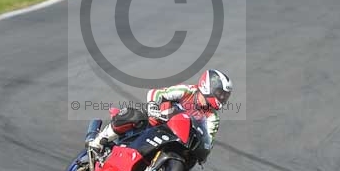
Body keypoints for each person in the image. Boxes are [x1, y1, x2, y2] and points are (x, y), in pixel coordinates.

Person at [87, 69, 233, 157]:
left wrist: (202, 151)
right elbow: (158, 93)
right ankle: (97, 142)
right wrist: (153, 107)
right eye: (220, 93)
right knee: (135, 115)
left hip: (175, 140)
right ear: (207, 86)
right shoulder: (187, 91)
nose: (221, 98)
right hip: (154, 123)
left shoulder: (212, 117)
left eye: (225, 96)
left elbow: (208, 140)